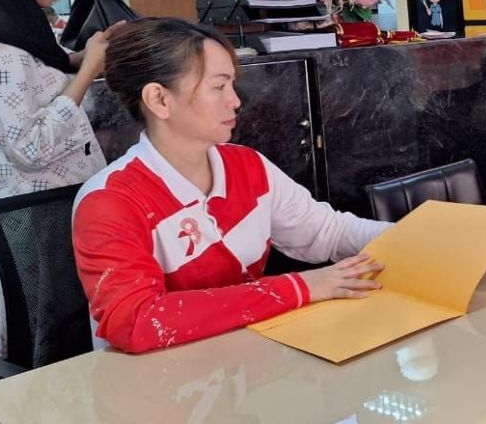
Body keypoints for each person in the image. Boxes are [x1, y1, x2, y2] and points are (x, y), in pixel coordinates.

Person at [72, 18, 392, 354]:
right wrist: (298, 288)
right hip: (155, 385)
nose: (235, 100)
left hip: (242, 362)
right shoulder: (109, 201)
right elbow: (137, 320)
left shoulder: (246, 166)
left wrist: (416, 236)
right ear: (159, 99)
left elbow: (328, 232)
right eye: (218, 87)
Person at [0, 0, 115, 358]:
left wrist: (79, 60)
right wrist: (84, 77)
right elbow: (28, 146)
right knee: (41, 341)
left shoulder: (19, 35)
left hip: (52, 212)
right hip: (28, 221)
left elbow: (37, 78)